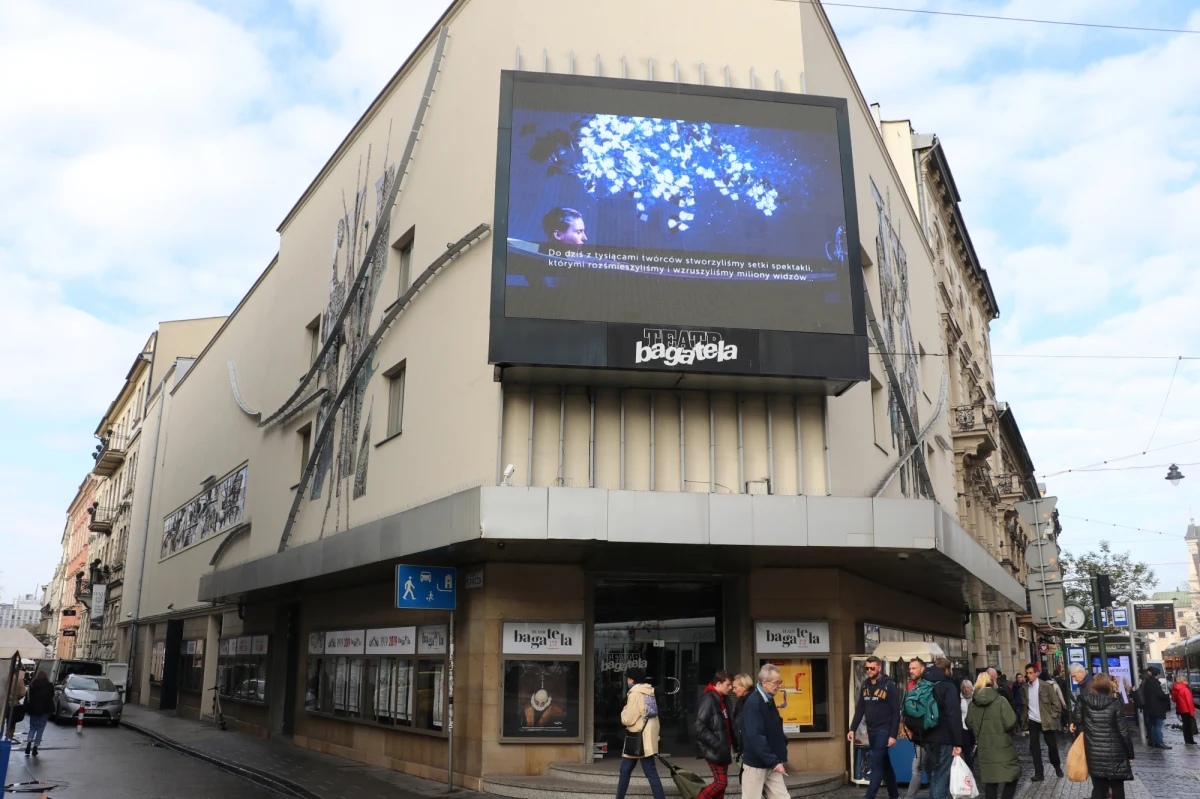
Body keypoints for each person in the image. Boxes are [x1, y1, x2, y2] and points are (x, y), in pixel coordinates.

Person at [847, 656, 900, 799]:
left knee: (877, 764)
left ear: (879, 668)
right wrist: (852, 729)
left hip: (884, 730)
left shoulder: (889, 685)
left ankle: (869, 796)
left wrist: (893, 735)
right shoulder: (865, 685)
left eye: (872, 668)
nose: (869, 671)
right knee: (885, 763)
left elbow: (896, 712)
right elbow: (860, 709)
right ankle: (894, 795)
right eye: (867, 668)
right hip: (871, 730)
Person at [1075, 673, 1134, 799]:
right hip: (1116, 752)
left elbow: (1078, 721)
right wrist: (1130, 754)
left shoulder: (1083, 701)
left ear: (1093, 686)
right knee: (1117, 786)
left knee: (1099, 787)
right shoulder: (1115, 703)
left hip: (1094, 751)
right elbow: (1123, 731)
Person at [965, 672, 1020, 799]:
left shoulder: (972, 704)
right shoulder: (1001, 701)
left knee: (990, 782)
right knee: (1012, 776)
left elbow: (969, 724)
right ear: (992, 682)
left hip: (984, 749)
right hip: (1003, 746)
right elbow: (1010, 722)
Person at [615, 669, 666, 799]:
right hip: (647, 737)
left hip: (638, 738)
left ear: (632, 680)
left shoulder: (635, 694)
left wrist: (623, 711)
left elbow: (628, 719)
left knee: (647, 771)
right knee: (626, 769)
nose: (627, 681)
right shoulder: (649, 692)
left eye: (628, 678)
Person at [740, 664, 789, 799]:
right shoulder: (754, 703)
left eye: (780, 682)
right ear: (764, 683)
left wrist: (782, 743)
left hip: (771, 761)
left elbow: (774, 727)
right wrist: (774, 761)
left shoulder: (767, 699)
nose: (779, 685)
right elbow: (755, 737)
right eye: (776, 682)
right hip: (757, 764)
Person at [919, 657, 964, 799]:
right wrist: (958, 742)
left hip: (926, 736)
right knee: (942, 775)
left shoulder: (924, 682)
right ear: (947, 670)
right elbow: (953, 715)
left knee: (935, 773)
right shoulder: (947, 685)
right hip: (943, 737)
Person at [1020, 662, 1063, 781]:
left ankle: (1057, 766)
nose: (1028, 675)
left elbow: (1056, 704)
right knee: (1035, 748)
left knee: (1052, 746)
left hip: (1046, 720)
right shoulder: (1024, 688)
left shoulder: (1046, 686)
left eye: (1031, 673)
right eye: (1027, 673)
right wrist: (1024, 722)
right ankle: (1039, 773)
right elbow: (1024, 706)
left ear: (1036, 673)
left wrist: (1052, 716)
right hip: (1032, 720)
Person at [695, 670, 735, 799]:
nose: (731, 688)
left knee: (721, 788)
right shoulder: (709, 699)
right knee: (721, 783)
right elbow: (699, 727)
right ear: (719, 683)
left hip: (723, 748)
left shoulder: (724, 699)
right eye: (728, 685)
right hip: (715, 749)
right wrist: (718, 745)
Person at [901, 659, 927, 799]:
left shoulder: (927, 686)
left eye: (914, 668)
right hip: (918, 734)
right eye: (910, 668)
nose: (910, 671)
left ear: (922, 669)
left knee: (920, 768)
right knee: (919, 768)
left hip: (928, 733)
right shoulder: (910, 685)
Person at [1135, 667, 1172, 749]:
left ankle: (1154, 741)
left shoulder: (1147, 682)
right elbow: (1160, 695)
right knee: (1158, 726)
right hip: (1157, 708)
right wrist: (1166, 696)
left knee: (1153, 726)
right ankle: (1159, 742)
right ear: (1157, 675)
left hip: (1150, 708)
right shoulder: (1154, 683)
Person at [24, 670, 55, 757]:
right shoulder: (49, 685)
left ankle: (29, 742)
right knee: (40, 728)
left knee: (33, 727)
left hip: (33, 709)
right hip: (45, 709)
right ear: (46, 677)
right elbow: (52, 696)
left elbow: (28, 697)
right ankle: (35, 747)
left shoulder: (32, 685)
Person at [730, 673, 755, 757]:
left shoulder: (753, 701)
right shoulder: (741, 702)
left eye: (735, 688)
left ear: (744, 686)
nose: (733, 691)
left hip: (752, 749)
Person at [1170, 673, 1196, 746]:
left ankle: (1186, 740)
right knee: (1189, 726)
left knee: (1185, 725)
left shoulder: (1175, 690)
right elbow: (1189, 702)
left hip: (1181, 709)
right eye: (1185, 680)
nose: (1186, 681)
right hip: (1187, 710)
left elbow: (1173, 699)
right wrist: (1192, 712)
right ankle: (1190, 740)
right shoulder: (1185, 690)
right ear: (1183, 681)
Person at [4, 665, 26, 740]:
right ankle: (8, 738)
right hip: (13, 704)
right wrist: (16, 698)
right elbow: (22, 693)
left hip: (3, 704)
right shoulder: (19, 680)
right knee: (11, 723)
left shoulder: (3, 679)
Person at [959, 680, 975, 769]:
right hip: (964, 727)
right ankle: (969, 768)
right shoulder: (959, 698)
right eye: (964, 687)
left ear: (971, 688)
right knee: (967, 750)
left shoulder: (976, 697)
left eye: (968, 687)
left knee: (975, 748)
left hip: (974, 726)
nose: (966, 689)